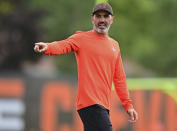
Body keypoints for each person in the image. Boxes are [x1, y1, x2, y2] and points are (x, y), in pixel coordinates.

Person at [34, 2, 138, 131]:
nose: (102, 20)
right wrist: (48, 47)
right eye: (98, 16)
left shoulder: (114, 45)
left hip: (103, 105)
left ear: (112, 19)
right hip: (90, 103)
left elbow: (119, 78)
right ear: (92, 19)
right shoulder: (82, 38)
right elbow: (63, 45)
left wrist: (128, 106)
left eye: (106, 16)